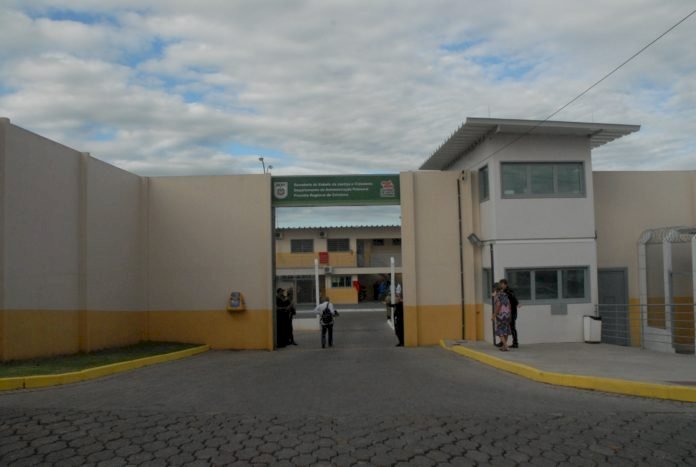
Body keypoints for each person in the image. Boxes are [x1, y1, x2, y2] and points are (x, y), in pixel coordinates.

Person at [499, 278, 519, 348]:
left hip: (511, 312)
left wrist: (517, 304)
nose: (501, 286)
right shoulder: (502, 291)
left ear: (505, 284)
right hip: (505, 313)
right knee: (504, 327)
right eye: (500, 284)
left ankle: (515, 343)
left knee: (512, 327)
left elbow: (515, 300)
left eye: (502, 284)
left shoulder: (509, 291)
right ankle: (502, 342)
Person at [492, 283, 512, 351]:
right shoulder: (505, 294)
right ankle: (504, 346)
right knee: (505, 330)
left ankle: (506, 346)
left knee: (500, 331)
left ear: (495, 289)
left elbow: (498, 305)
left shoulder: (497, 296)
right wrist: (509, 313)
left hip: (500, 315)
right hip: (507, 315)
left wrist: (494, 315)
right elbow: (509, 304)